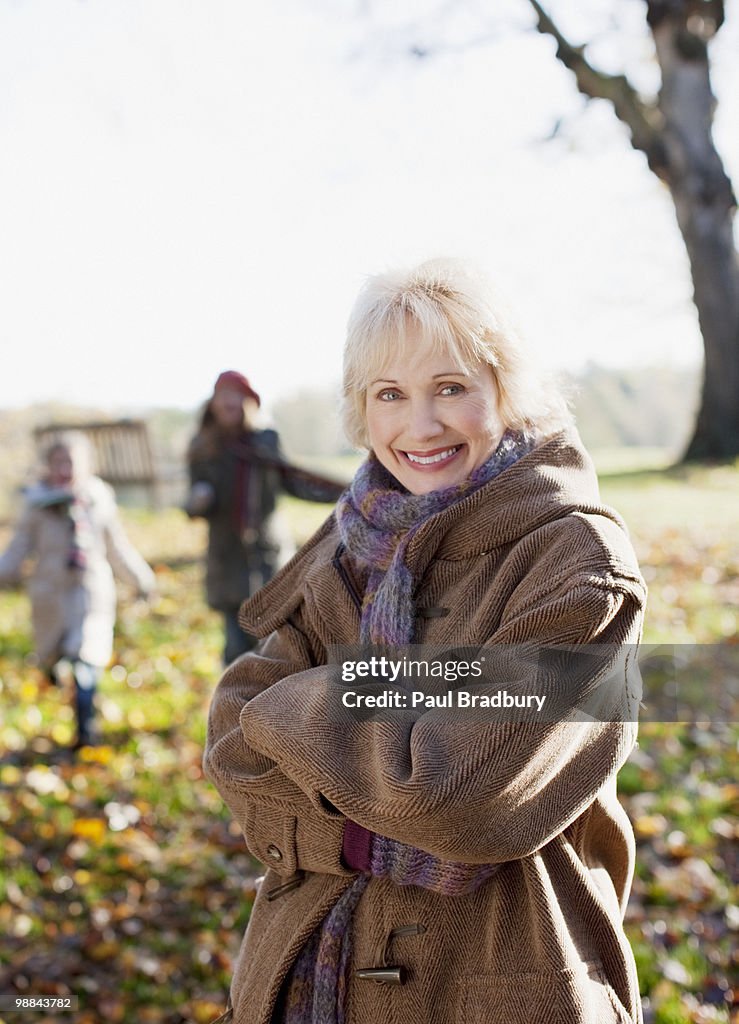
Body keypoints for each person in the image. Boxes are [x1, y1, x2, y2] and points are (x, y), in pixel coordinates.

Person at [203, 259, 647, 1024]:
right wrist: (356, 836)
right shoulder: (347, 542)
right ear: (360, 409)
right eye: (389, 394)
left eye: (450, 387)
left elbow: (454, 795)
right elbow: (230, 739)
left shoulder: (576, 563)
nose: (420, 426)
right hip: (306, 973)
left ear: (505, 389)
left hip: (499, 976)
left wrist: (307, 702)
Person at [0, 432, 155, 748]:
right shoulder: (36, 505)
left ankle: (86, 732)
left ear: (85, 465)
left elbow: (117, 548)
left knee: (87, 658)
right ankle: (55, 674)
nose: (65, 468)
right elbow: (19, 548)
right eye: (58, 462)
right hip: (49, 594)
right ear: (47, 466)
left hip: (90, 592)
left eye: (71, 462)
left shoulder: (97, 501)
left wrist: (141, 580)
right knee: (52, 656)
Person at [186, 370, 345, 665]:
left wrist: (346, 493)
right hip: (227, 559)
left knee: (274, 644)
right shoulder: (204, 448)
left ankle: (275, 707)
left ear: (248, 403)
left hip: (267, 557)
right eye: (222, 395)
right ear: (213, 403)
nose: (228, 402)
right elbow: (194, 505)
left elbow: (293, 481)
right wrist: (198, 500)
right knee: (236, 649)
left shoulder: (265, 443)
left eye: (235, 395)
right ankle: (233, 708)